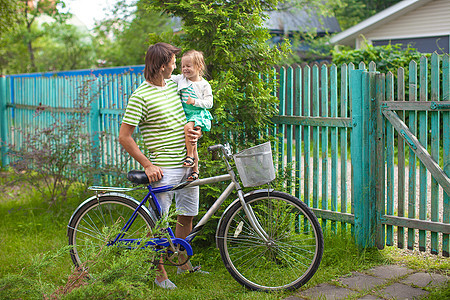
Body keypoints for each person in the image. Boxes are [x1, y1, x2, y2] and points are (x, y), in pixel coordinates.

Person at [118, 43, 202, 289]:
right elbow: (124, 137)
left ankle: (182, 261)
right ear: (162, 65)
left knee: (187, 215)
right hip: (163, 168)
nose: (177, 67)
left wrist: (195, 132)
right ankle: (159, 274)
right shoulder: (140, 96)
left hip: (188, 163)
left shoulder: (176, 85)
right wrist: (147, 165)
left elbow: (192, 107)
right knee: (157, 224)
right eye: (174, 63)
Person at [171, 50, 213, 181]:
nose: (185, 69)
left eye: (188, 66)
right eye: (183, 66)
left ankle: (189, 157)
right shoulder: (182, 79)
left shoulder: (204, 84)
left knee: (189, 130)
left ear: (199, 67)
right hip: (186, 114)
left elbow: (209, 103)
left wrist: (195, 102)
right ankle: (195, 171)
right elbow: (168, 77)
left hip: (198, 114)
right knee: (193, 143)